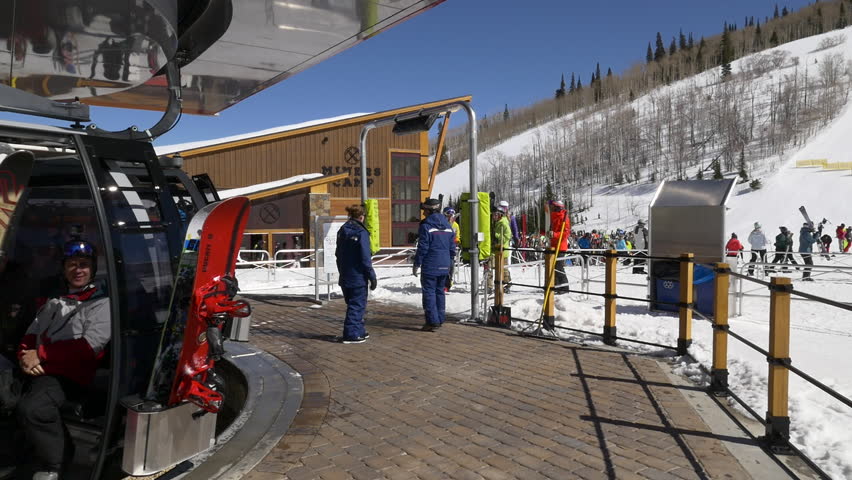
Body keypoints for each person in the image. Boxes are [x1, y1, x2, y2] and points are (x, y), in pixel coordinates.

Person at [16, 240, 110, 478]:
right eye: (71, 265)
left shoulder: (102, 303)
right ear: (64, 269)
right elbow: (31, 333)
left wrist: (41, 356)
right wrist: (24, 356)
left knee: (34, 409)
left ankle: (54, 465)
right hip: (40, 368)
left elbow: (89, 347)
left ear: (92, 269)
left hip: (70, 375)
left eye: (84, 265)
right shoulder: (56, 300)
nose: (77, 270)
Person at [335, 204, 377, 344]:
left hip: (345, 274)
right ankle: (351, 334)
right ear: (362, 217)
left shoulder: (342, 231)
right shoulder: (361, 232)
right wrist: (371, 275)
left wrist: (342, 270)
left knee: (353, 304)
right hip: (357, 276)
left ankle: (359, 330)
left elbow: (338, 254)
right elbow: (365, 257)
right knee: (357, 305)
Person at [412, 198, 455, 332]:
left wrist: (417, 263)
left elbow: (423, 247)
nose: (423, 213)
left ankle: (432, 321)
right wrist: (449, 262)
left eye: (425, 210)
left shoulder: (426, 226)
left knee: (429, 293)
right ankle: (440, 318)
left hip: (430, 265)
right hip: (445, 264)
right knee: (439, 292)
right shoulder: (448, 226)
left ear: (430, 210)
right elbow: (452, 248)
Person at [489, 205, 513, 292]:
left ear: (500, 215)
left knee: (504, 269)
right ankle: (491, 285)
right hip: (495, 249)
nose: (494, 217)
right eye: (493, 215)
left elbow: (508, 235)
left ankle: (507, 284)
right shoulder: (495, 223)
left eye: (496, 215)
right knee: (491, 267)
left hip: (502, 250)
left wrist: (497, 236)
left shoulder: (503, 223)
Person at [549, 200, 570, 292]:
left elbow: (566, 233)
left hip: (560, 246)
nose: (552, 208)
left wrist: (555, 235)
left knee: (559, 266)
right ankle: (556, 286)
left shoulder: (564, 217)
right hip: (553, 245)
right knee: (553, 266)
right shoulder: (553, 217)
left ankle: (564, 287)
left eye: (553, 206)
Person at [443, 207, 460, 292]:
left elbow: (457, 236)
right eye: (448, 216)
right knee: (443, 267)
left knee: (450, 266)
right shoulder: (442, 224)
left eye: (452, 216)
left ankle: (448, 284)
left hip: (451, 249)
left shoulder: (455, 225)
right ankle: (443, 284)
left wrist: (456, 241)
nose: (450, 218)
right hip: (443, 249)